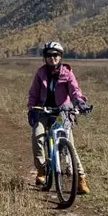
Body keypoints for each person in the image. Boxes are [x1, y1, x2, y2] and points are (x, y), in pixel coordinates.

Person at [27, 41, 91, 194]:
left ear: (60, 56)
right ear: (45, 57)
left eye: (55, 55)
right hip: (42, 111)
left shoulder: (67, 73)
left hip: (62, 112)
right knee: (37, 138)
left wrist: (79, 103)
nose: (52, 58)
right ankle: (42, 169)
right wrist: (31, 109)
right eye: (49, 55)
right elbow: (33, 94)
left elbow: (75, 90)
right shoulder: (40, 73)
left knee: (68, 143)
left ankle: (80, 178)